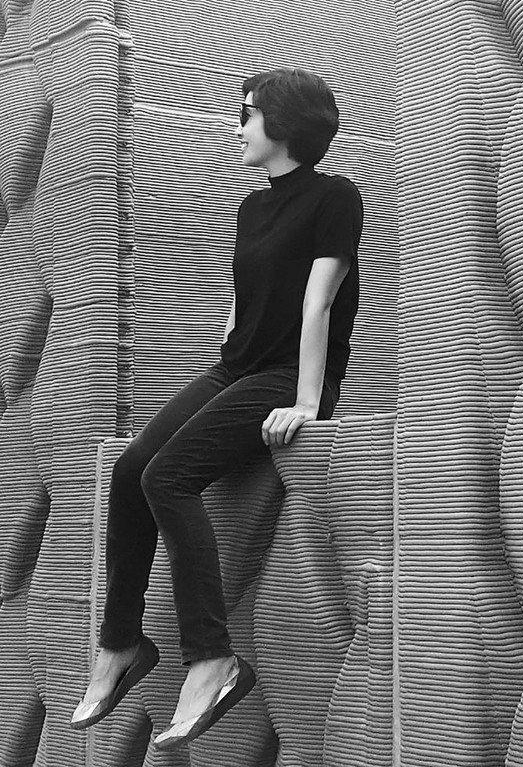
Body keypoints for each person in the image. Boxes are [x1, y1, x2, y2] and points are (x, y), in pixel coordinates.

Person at [71, 68, 363, 749]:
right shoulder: (251, 207)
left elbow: (318, 302)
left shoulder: (335, 196)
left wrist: (308, 401)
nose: (238, 125)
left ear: (284, 124)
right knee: (130, 469)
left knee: (167, 478)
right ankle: (120, 643)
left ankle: (212, 659)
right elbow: (242, 300)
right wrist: (221, 371)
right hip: (238, 368)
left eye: (247, 113)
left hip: (288, 374)